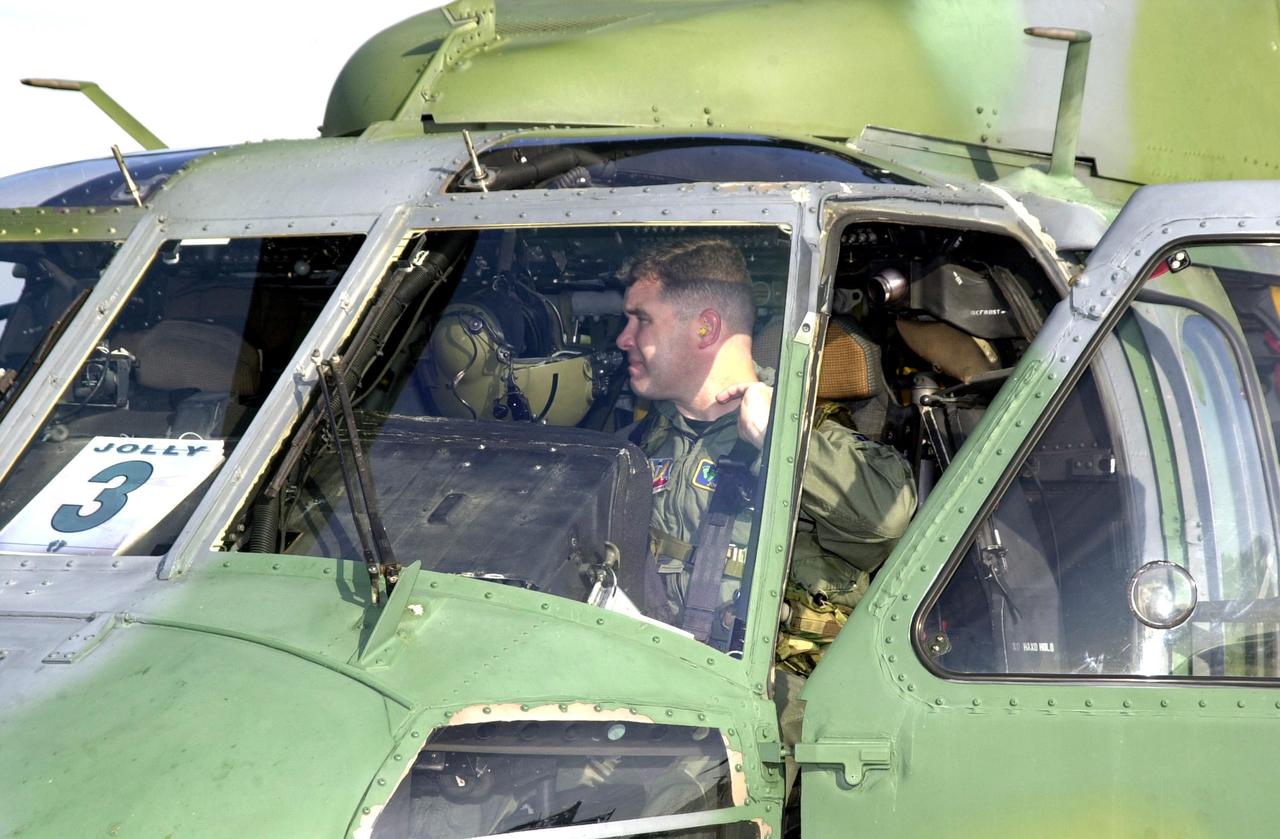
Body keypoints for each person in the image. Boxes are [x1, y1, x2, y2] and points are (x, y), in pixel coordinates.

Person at [616, 238, 917, 665]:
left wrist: (781, 437)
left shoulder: (807, 432)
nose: (623, 339)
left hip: (769, 689)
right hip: (645, 670)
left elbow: (887, 519)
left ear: (705, 328)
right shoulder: (636, 443)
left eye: (641, 320)